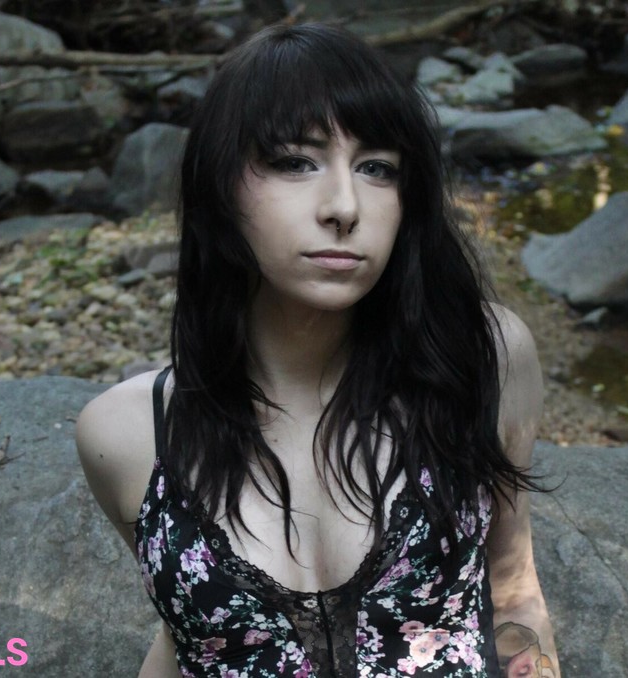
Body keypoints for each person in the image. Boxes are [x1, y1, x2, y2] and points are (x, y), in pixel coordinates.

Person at [77, 22, 560, 677]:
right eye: (295, 161)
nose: (343, 206)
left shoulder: (482, 359)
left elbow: (512, 581)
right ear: (219, 186)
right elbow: (184, 635)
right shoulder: (126, 433)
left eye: (377, 168)